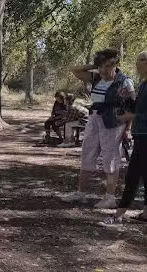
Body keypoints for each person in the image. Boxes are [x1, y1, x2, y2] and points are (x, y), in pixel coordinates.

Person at [62, 49, 135, 208]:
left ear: (116, 64)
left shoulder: (125, 82)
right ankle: (80, 193)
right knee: (87, 153)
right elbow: (75, 70)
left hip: (113, 122)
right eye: (100, 66)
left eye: (107, 66)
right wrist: (93, 65)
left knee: (110, 158)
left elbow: (132, 108)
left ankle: (109, 198)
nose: (103, 70)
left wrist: (128, 129)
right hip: (94, 118)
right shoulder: (95, 77)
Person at [98, 51, 147, 227]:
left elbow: (140, 112)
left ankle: (118, 216)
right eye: (137, 59)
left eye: (141, 60)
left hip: (145, 135)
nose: (137, 63)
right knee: (144, 174)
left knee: (133, 175)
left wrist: (130, 116)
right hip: (140, 134)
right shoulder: (142, 85)